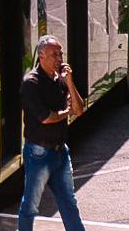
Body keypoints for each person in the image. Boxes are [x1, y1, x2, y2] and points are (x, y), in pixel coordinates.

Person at [18, 35, 87, 231]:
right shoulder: (31, 83)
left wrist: (70, 82)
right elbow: (46, 117)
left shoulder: (60, 80)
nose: (59, 58)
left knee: (69, 204)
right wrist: (67, 112)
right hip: (38, 152)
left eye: (60, 54)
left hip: (60, 153)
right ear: (41, 56)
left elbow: (79, 109)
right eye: (54, 54)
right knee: (30, 206)